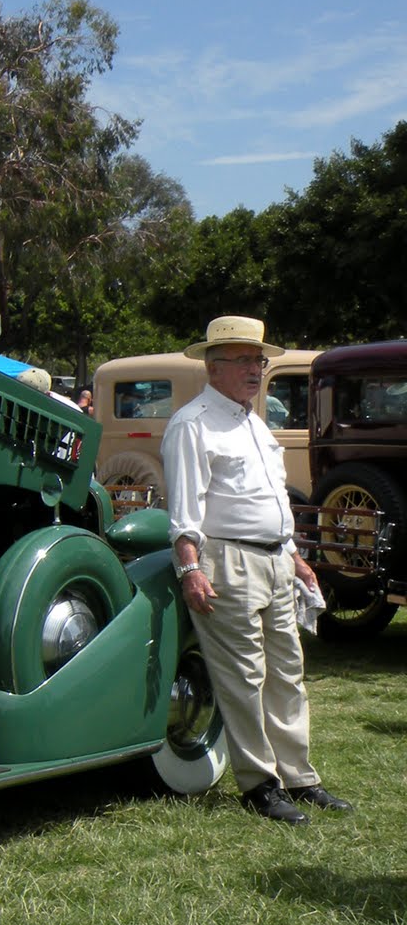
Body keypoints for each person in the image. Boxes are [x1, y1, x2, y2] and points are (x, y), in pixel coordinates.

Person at [162, 315, 352, 825]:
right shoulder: (193, 423)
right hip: (227, 561)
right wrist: (191, 570)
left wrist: (295, 559)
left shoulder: (252, 420)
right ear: (213, 366)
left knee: (288, 672)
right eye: (245, 360)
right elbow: (185, 509)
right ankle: (259, 784)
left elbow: (268, 501)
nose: (256, 369)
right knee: (244, 675)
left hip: (272, 559)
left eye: (258, 359)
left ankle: (300, 777)